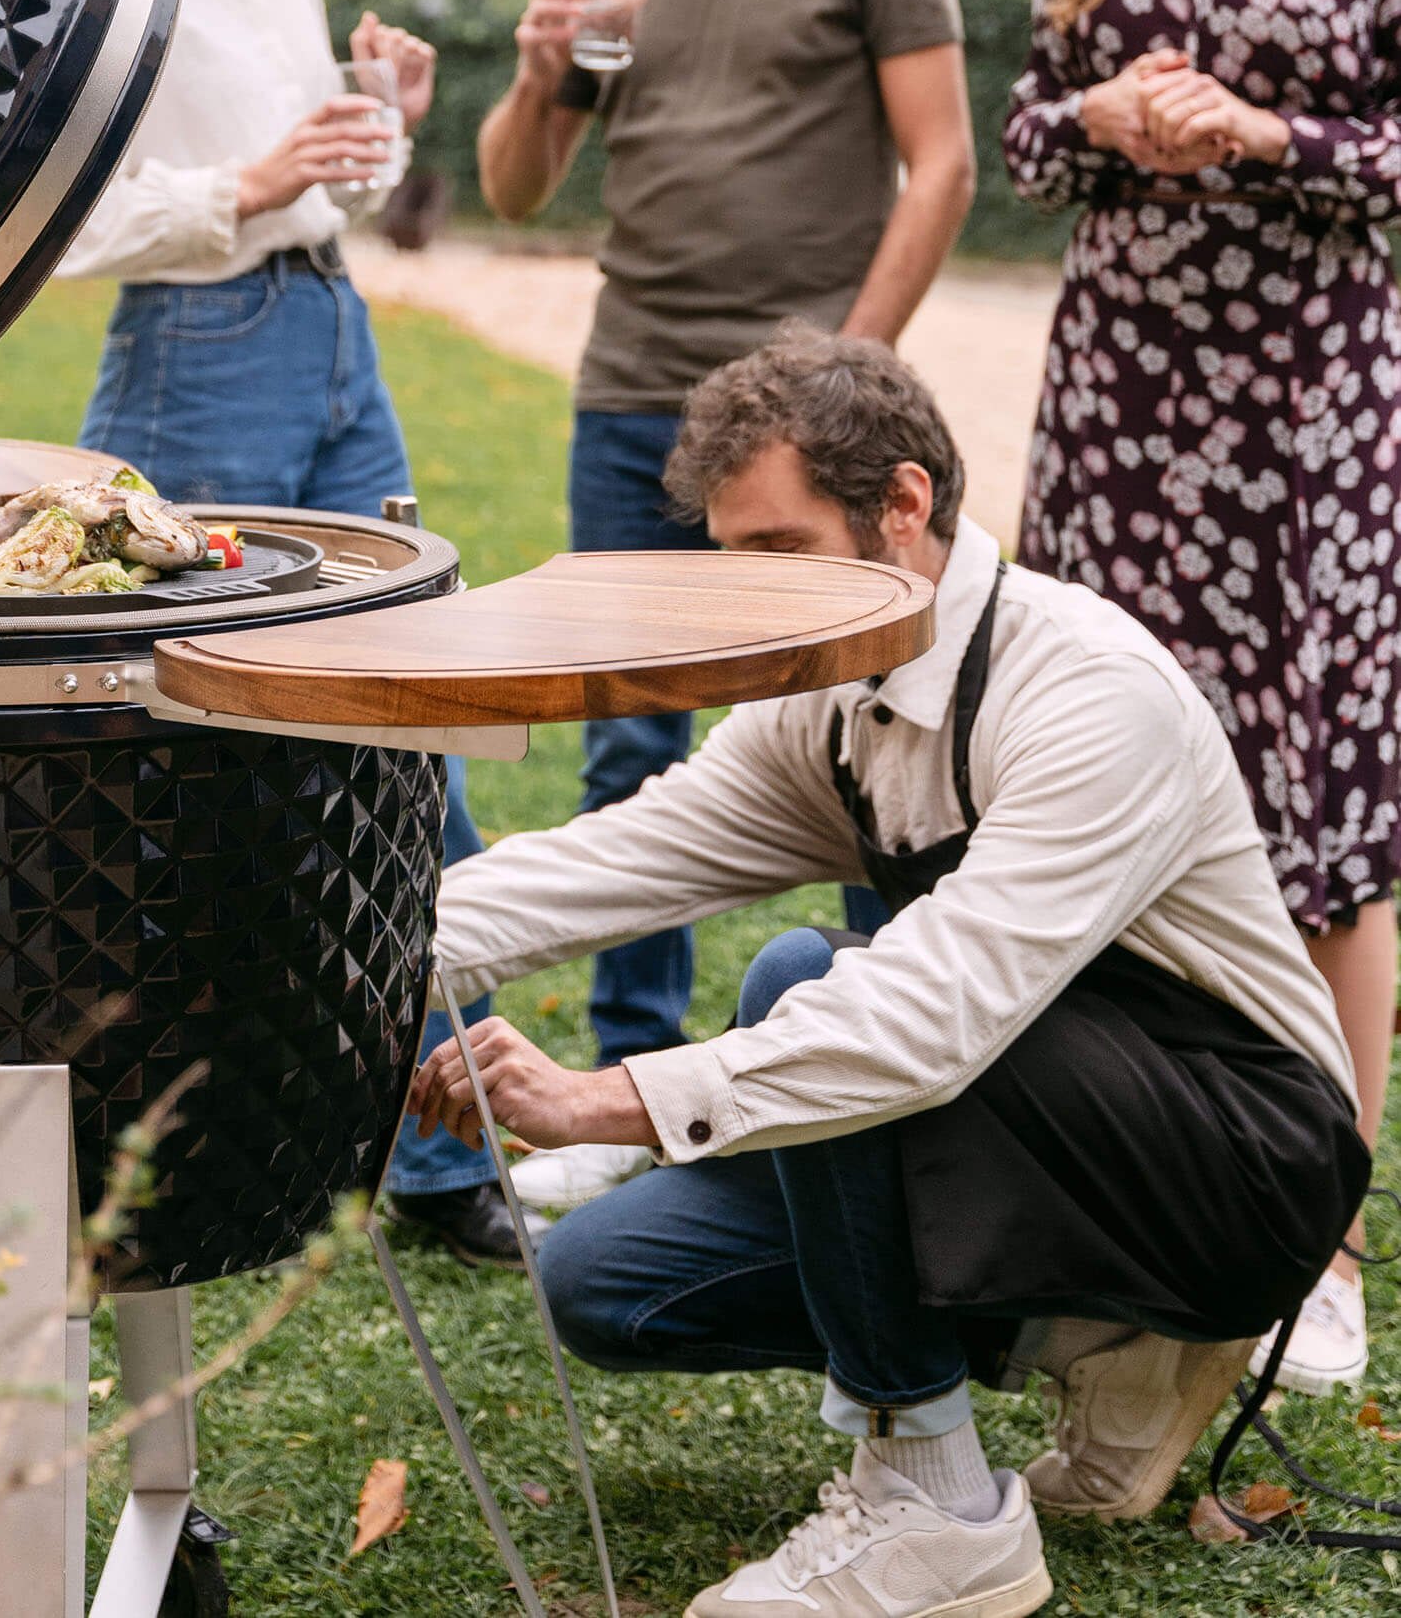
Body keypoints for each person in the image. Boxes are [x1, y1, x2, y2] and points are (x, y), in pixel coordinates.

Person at [406, 326, 1365, 1618]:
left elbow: (924, 1021)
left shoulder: (1088, 692)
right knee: (605, 1287)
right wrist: (351, 966)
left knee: (807, 980)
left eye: (780, 555)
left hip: (1238, 1162)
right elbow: (621, 858)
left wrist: (606, 1100)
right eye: (732, 562)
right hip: (1034, 1132)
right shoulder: (831, 696)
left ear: (903, 508)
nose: (751, 599)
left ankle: (939, 1504)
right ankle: (1095, 1341)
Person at [476, 0, 975, 1211]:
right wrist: (539, 70)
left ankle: (863, 1054)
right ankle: (621, 1091)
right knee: (628, 743)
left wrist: (848, 379)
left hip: (805, 431)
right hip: (634, 390)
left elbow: (943, 160)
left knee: (860, 721)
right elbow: (517, 185)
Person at [57, 0, 527, 1269]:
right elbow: (49, 220)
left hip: (331, 336)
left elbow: (322, 175)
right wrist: (243, 189)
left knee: (413, 726)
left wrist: (374, 113)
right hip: (201, 360)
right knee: (191, 761)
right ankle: (167, 1137)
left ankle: (441, 1155)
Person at [1001, 0, 1401, 1398]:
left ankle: (1317, 1239)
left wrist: (1266, 132)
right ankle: (1109, 1202)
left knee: (1315, 816)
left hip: (1309, 412)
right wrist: (1099, 117)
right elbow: (1023, 133)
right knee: (1097, 780)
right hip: (1127, 401)